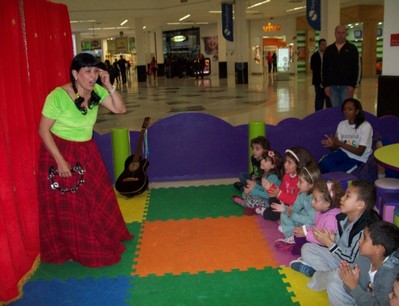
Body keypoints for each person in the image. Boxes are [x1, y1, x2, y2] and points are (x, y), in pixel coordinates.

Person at [37, 53, 133, 267]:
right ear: (75, 74)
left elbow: (120, 109)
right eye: (87, 72)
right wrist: (60, 161)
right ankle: (74, 247)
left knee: (98, 197)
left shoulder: (97, 91)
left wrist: (109, 85)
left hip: (87, 150)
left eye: (96, 71)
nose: (93, 77)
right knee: (72, 205)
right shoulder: (58, 96)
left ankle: (99, 235)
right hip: (61, 151)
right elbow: (43, 131)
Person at [292, 180, 381, 291]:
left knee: (335, 279)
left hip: (354, 267)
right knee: (307, 248)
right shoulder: (343, 217)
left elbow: (351, 260)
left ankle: (319, 276)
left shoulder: (364, 227)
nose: (342, 198)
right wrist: (332, 239)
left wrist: (329, 243)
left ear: (360, 205)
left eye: (347, 196)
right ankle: (325, 275)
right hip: (340, 258)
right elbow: (339, 243)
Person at [327, 221, 399, 306]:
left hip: (369, 301)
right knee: (334, 283)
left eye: (364, 238)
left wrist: (354, 288)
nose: (359, 241)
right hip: (362, 297)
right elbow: (351, 288)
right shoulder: (364, 257)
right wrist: (350, 280)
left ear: (378, 249)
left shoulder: (389, 277)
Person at [257, 146, 317, 221]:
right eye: (286, 161)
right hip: (285, 202)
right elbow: (282, 190)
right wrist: (271, 188)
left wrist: (279, 194)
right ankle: (278, 213)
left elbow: (295, 200)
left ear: (299, 165)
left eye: (289, 162)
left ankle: (272, 213)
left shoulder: (301, 181)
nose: (285, 164)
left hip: (294, 206)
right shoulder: (286, 176)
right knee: (272, 199)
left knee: (269, 213)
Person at [272, 165, 321, 251]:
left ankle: (292, 236)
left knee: (307, 225)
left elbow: (312, 221)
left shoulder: (315, 199)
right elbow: (294, 209)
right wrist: (286, 209)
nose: (297, 184)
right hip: (302, 219)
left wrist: (292, 215)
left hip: (311, 223)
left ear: (311, 184)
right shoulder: (302, 194)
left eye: (301, 182)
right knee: (284, 214)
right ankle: (291, 235)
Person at [319, 98, 373, 174]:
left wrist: (339, 143)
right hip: (343, 153)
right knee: (324, 164)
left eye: (350, 109)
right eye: (344, 109)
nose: (346, 112)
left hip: (357, 158)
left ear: (357, 111)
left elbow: (360, 151)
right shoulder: (342, 124)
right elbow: (336, 147)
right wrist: (332, 145)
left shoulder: (365, 126)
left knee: (335, 173)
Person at [290, 180, 343, 256]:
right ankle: (300, 250)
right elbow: (316, 227)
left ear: (327, 203)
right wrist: (305, 229)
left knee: (304, 244)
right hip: (316, 238)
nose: (312, 202)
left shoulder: (331, 219)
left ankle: (303, 254)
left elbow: (324, 240)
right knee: (298, 234)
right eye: (313, 198)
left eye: (315, 200)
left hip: (324, 246)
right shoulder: (321, 211)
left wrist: (306, 233)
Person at [231, 150, 284, 215]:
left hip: (269, 202)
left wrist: (254, 190)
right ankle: (256, 207)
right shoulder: (266, 174)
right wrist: (255, 185)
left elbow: (268, 195)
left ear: (273, 166)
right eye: (263, 159)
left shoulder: (273, 178)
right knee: (245, 194)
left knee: (249, 201)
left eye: (265, 160)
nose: (262, 161)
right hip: (264, 197)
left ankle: (244, 203)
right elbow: (264, 189)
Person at [322, 25, 361, 107]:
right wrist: (326, 85)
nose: (340, 35)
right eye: (338, 32)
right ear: (335, 34)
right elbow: (324, 69)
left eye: (343, 33)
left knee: (346, 109)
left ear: (346, 34)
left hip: (347, 87)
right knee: (335, 110)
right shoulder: (329, 50)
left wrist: (352, 85)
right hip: (332, 87)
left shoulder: (352, 49)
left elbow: (356, 68)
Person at [311, 39, 332, 111]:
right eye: (322, 44)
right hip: (318, 81)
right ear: (319, 45)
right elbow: (312, 67)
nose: (324, 46)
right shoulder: (315, 56)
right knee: (319, 98)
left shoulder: (329, 55)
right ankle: (318, 114)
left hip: (328, 81)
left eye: (325, 44)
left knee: (328, 99)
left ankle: (329, 114)